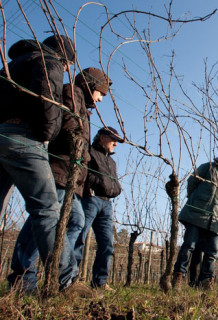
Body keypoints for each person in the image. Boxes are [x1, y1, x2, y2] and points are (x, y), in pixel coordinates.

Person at [7, 68, 112, 288]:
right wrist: (82, 153)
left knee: (73, 221)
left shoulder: (82, 103)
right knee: (44, 218)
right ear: (90, 85)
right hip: (59, 170)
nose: (101, 99)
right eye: (101, 92)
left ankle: (60, 273)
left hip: (70, 176)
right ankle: (26, 274)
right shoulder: (71, 93)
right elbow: (67, 128)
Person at [0, 34, 80, 293]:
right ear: (64, 55)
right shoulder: (49, 61)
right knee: (46, 210)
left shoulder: (11, 65)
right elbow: (48, 100)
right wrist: (48, 134)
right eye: (69, 65)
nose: (67, 71)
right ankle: (67, 280)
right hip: (24, 137)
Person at [172, 149, 218, 290]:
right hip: (197, 214)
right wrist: (197, 201)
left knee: (212, 252)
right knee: (188, 246)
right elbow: (192, 182)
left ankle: (206, 281)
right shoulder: (208, 167)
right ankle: (177, 277)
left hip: (215, 220)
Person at [74, 126, 122, 291]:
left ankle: (100, 283)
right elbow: (84, 173)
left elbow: (114, 182)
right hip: (90, 199)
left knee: (107, 244)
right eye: (113, 139)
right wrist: (97, 185)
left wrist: (117, 189)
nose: (115, 144)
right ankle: (70, 279)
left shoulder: (112, 161)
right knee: (78, 237)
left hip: (107, 204)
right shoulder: (90, 152)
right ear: (102, 137)